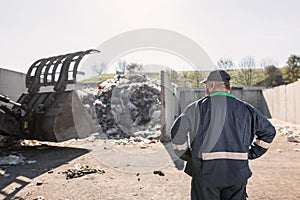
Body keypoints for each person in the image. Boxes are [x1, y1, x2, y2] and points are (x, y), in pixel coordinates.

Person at [170, 70, 276, 200]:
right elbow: (269, 131)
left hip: (205, 175)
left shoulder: (196, 108)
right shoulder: (247, 110)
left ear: (212, 85)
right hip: (237, 173)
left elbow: (177, 132)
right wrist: (252, 152)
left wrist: (187, 155)